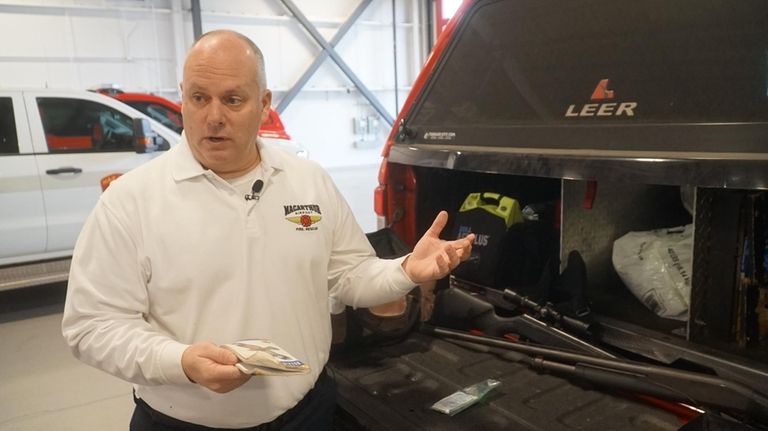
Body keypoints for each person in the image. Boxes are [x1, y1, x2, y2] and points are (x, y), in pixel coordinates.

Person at [62, 29, 474, 431]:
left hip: (306, 414)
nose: (214, 117)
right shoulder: (131, 201)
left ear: (263, 104)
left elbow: (350, 277)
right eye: (199, 98)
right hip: (180, 423)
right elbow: (92, 326)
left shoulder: (308, 181)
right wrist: (181, 362)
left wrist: (404, 271)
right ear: (182, 100)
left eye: (233, 100)